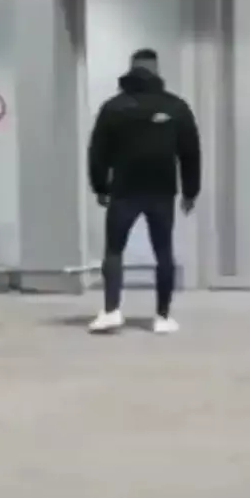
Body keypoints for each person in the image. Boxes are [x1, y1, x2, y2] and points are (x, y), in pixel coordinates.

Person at [86, 49, 201, 334]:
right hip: (162, 190)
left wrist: (100, 186)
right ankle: (162, 316)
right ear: (156, 71)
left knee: (114, 250)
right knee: (163, 251)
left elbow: (97, 152)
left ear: (131, 69)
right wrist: (190, 191)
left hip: (124, 190)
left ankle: (111, 310)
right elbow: (190, 152)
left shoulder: (114, 107)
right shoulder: (175, 107)